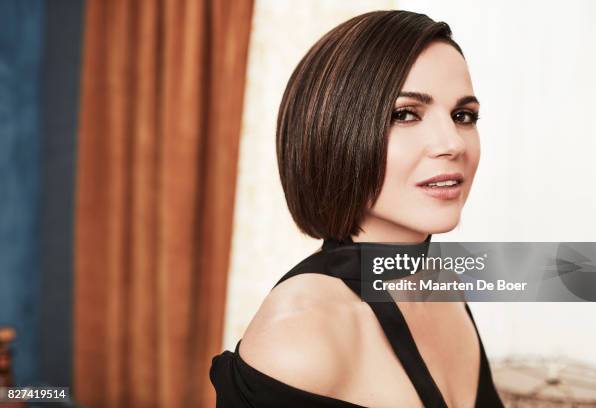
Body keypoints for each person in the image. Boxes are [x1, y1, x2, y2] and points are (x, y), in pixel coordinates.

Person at [210, 10, 504, 407]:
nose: (452, 142)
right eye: (405, 114)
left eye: (462, 116)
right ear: (335, 131)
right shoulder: (300, 329)